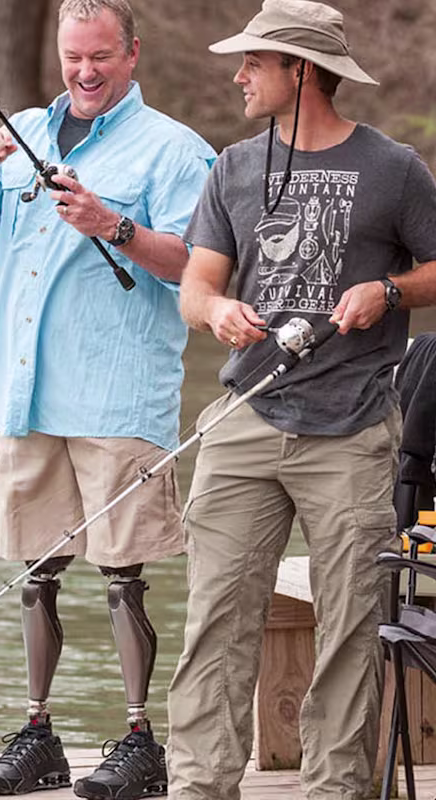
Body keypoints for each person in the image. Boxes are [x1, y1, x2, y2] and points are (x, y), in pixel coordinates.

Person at [0, 0, 214, 796]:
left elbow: (199, 267)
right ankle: (40, 736)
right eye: (74, 56)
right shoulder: (21, 135)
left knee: (123, 574)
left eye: (101, 56)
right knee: (37, 569)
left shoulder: (175, 150)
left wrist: (112, 224)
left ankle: (140, 743)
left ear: (132, 53)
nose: (85, 71)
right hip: (28, 395)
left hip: (118, 396)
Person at [168, 0, 436, 798]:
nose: (239, 76)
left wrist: (390, 291)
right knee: (215, 620)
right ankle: (199, 787)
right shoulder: (233, 167)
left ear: (303, 71)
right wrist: (217, 311)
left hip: (354, 429)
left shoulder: (394, 168)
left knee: (350, 627)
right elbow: (196, 285)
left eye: (255, 62)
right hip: (246, 420)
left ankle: (335, 789)